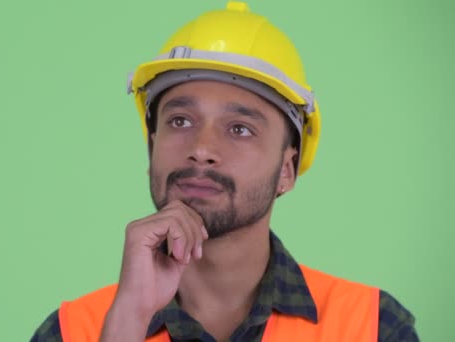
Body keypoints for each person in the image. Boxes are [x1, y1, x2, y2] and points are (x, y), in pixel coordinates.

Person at [30, 1, 418, 341]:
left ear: (287, 169)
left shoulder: (374, 328)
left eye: (240, 129)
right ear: (151, 147)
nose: (201, 149)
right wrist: (128, 320)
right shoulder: (70, 332)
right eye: (180, 121)